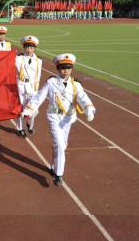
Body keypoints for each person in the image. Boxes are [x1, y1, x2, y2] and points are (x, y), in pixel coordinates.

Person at [24, 53, 96, 186]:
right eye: (62, 68)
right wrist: (29, 109)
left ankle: (53, 165)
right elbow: (39, 97)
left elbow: (83, 98)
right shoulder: (51, 82)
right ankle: (58, 175)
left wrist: (89, 109)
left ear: (72, 69)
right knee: (60, 145)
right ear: (57, 68)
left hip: (68, 119)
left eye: (68, 68)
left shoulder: (76, 84)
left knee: (62, 144)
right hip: (54, 117)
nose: (65, 71)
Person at [15, 36, 42, 137]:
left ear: (34, 48)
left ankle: (30, 124)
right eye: (27, 47)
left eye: (31, 47)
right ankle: (19, 128)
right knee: (20, 109)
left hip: (32, 88)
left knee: (34, 110)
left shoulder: (39, 61)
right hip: (21, 86)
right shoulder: (18, 58)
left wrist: (36, 89)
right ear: (24, 47)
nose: (29, 49)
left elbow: (38, 75)